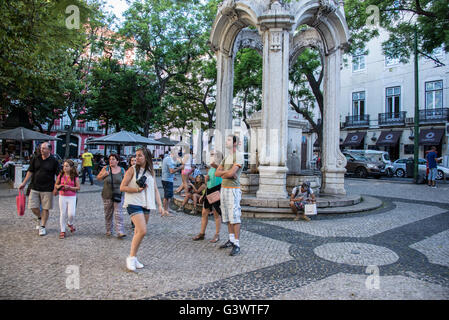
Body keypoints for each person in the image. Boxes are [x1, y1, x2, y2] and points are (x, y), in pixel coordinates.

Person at [120, 147, 163, 271]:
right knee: (142, 230)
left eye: (140, 156)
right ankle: (131, 257)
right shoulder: (131, 170)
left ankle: (134, 256)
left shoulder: (151, 172)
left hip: (146, 204)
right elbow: (122, 187)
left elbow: (155, 189)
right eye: (136, 155)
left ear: (146, 158)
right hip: (133, 202)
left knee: (138, 233)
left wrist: (160, 205)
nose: (137, 158)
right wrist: (136, 190)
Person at [19, 142, 60, 236]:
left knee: (46, 208)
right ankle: (40, 217)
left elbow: (58, 175)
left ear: (50, 150)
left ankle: (42, 226)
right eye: (41, 148)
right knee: (33, 207)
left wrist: (56, 188)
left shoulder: (54, 161)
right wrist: (24, 183)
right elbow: (30, 171)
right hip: (35, 186)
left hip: (48, 188)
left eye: (44, 148)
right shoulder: (35, 158)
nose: (42, 150)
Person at [215, 135, 244, 256]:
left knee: (235, 216)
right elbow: (217, 173)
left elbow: (233, 173)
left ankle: (237, 244)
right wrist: (227, 173)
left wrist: (227, 173)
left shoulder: (239, 156)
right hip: (224, 188)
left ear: (235, 143)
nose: (226, 141)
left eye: (228, 140)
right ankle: (231, 240)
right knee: (227, 215)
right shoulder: (227, 157)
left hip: (233, 189)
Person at [192, 150, 223, 243]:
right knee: (204, 212)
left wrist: (215, 166)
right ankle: (202, 233)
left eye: (213, 155)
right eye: (211, 155)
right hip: (209, 191)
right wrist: (206, 181)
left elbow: (223, 173)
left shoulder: (221, 166)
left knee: (216, 213)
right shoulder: (210, 168)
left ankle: (217, 234)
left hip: (217, 190)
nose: (211, 156)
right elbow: (208, 183)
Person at [97, 153, 126, 238]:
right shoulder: (105, 168)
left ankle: (120, 231)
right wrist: (104, 174)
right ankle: (109, 230)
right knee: (108, 214)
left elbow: (126, 181)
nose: (111, 161)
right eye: (110, 159)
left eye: (113, 159)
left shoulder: (122, 170)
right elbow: (98, 178)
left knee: (119, 214)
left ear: (117, 161)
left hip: (118, 195)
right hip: (107, 195)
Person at [54, 160, 80, 239]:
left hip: (72, 196)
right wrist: (59, 187)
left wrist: (70, 187)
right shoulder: (61, 175)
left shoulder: (75, 176)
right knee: (63, 213)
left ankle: (70, 223)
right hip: (62, 196)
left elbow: (78, 187)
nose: (64, 168)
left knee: (71, 214)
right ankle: (62, 230)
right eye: (64, 166)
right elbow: (56, 184)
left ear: (71, 167)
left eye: (67, 166)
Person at [161, 150, 182, 216]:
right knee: (166, 196)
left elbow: (169, 170)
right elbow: (171, 171)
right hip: (167, 180)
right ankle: (165, 211)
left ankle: (168, 209)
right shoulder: (169, 160)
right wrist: (180, 168)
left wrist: (173, 177)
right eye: (177, 154)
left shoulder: (168, 159)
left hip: (168, 179)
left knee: (169, 196)